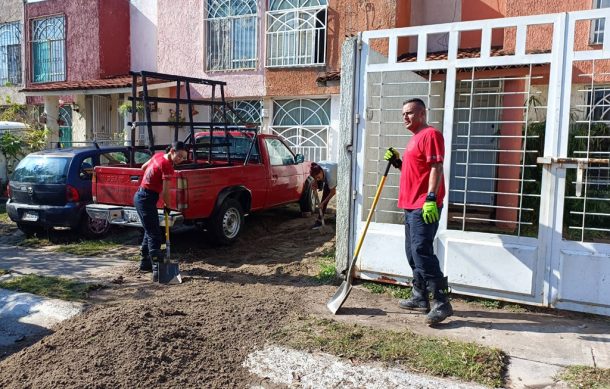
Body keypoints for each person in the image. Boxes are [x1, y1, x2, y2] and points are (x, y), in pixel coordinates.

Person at [384, 98, 453, 324]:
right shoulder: (414, 139)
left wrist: (431, 197)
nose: (405, 117)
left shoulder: (430, 135)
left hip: (423, 204)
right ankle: (419, 296)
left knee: (422, 251)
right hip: (410, 204)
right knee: (412, 252)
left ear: (422, 114)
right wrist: (398, 162)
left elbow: (436, 166)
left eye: (410, 113)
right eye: (403, 113)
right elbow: (415, 170)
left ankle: (441, 302)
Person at [134, 141, 188, 280]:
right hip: (146, 198)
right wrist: (167, 206)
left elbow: (143, 167)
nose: (181, 159)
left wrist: (151, 180)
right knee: (155, 235)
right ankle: (158, 270)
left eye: (184, 157)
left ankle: (145, 262)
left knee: (149, 230)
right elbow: (166, 191)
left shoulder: (158, 156)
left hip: (141, 196)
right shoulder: (168, 167)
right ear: (172, 152)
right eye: (180, 156)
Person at [309, 161, 337, 229]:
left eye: (318, 177)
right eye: (316, 178)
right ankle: (319, 221)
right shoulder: (316, 167)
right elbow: (315, 177)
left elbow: (333, 192)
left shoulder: (330, 177)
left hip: (341, 175)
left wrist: (322, 203)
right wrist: (314, 183)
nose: (318, 179)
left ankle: (338, 216)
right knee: (324, 197)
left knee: (325, 199)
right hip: (329, 173)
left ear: (321, 171)